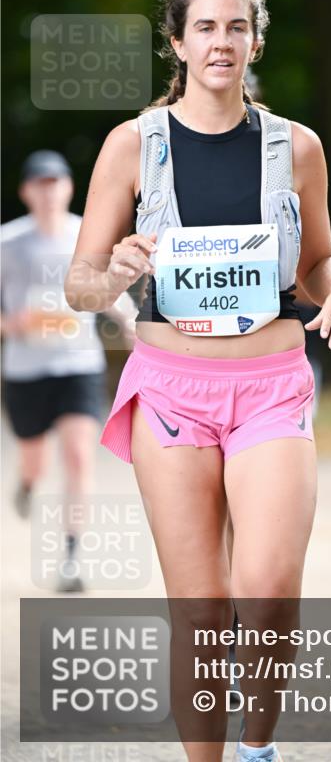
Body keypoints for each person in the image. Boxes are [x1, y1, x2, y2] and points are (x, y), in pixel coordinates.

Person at [64, 0, 331, 762]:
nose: (221, 41)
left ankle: (258, 749)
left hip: (271, 385)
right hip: (172, 391)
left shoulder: (296, 146)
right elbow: (81, 284)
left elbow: (319, 260)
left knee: (267, 592)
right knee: (200, 611)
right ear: (177, 42)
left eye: (237, 27)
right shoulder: (132, 145)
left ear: (255, 42)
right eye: (204, 27)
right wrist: (117, 270)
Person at [1, 150, 136, 592]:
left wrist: (129, 323)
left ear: (69, 188)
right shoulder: (7, 243)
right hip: (25, 370)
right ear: (26, 192)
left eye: (55, 182)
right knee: (35, 459)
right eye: (40, 184)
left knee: (78, 456)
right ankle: (27, 483)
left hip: (78, 364)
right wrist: (13, 324)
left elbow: (110, 289)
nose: (48, 192)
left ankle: (71, 559)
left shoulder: (86, 235)